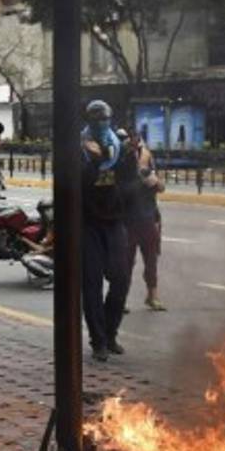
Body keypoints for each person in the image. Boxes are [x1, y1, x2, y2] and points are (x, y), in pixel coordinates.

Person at [81, 100, 135, 362]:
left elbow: (129, 183)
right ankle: (98, 340)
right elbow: (79, 183)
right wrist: (93, 161)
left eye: (105, 118)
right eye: (96, 119)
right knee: (91, 285)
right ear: (89, 121)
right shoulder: (80, 148)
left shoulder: (117, 146)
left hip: (114, 223)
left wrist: (128, 157)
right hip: (88, 224)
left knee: (121, 279)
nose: (101, 123)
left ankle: (111, 333)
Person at [122, 132, 166, 311]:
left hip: (148, 219)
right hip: (127, 222)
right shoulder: (121, 167)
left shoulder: (146, 167)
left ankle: (152, 296)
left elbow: (161, 187)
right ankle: (121, 298)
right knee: (125, 262)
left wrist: (145, 170)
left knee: (151, 260)